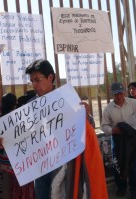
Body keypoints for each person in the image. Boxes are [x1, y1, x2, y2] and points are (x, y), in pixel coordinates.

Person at [25, 59, 108, 199]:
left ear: (50, 77)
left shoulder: (68, 99)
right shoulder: (30, 105)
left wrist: (86, 115)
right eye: (31, 81)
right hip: (40, 167)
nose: (34, 85)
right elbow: (23, 136)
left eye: (37, 80)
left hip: (64, 165)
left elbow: (89, 128)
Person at [101, 82, 136, 199]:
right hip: (118, 140)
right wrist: (113, 130)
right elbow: (103, 126)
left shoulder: (132, 103)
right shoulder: (108, 109)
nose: (119, 96)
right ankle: (121, 187)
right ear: (112, 95)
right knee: (118, 165)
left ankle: (135, 191)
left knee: (133, 166)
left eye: (120, 93)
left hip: (132, 139)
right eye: (116, 94)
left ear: (124, 92)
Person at [0, 92, 35, 199]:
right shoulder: (17, 117)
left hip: (2, 159)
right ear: (14, 104)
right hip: (14, 158)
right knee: (19, 185)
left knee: (6, 184)